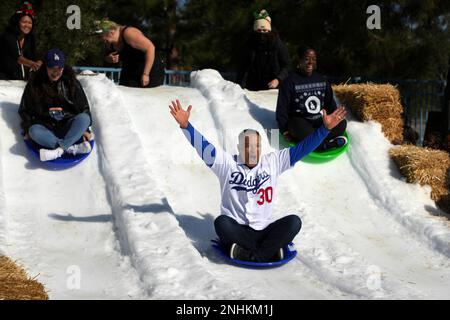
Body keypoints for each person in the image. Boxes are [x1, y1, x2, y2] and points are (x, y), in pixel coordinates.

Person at [169, 99, 346, 262]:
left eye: (256, 146)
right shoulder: (227, 163)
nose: (252, 150)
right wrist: (186, 126)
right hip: (237, 230)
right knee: (221, 223)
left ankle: (249, 254)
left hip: (264, 231)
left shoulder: (273, 162)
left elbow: (302, 149)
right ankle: (267, 252)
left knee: (294, 222)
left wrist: (325, 129)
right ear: (239, 148)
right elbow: (203, 147)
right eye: (247, 146)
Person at [18, 48, 93, 162]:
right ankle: (70, 148)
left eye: (59, 68)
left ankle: (57, 151)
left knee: (84, 119)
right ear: (45, 67)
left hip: (68, 127)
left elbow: (84, 108)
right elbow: (24, 109)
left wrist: (84, 129)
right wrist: (28, 128)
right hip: (46, 129)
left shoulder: (71, 82)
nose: (55, 72)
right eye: (51, 68)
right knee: (34, 131)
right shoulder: (35, 83)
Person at [276, 45, 348, 151]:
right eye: (306, 59)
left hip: (321, 122)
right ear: (299, 61)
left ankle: (312, 142)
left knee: (342, 123)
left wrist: (334, 118)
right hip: (302, 124)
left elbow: (330, 104)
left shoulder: (322, 80)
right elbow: (281, 110)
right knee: (294, 125)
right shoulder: (289, 82)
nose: (310, 62)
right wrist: (284, 130)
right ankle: (325, 145)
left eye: (313, 59)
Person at [93, 19, 165, 88]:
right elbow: (105, 56)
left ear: (111, 32)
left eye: (102, 37)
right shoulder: (110, 43)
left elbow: (150, 48)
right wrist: (108, 59)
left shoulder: (128, 33)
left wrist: (146, 74)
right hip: (130, 70)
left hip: (150, 70)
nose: (102, 40)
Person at [236, 10, 291, 91]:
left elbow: (287, 65)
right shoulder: (250, 44)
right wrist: (238, 85)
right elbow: (242, 66)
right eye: (259, 30)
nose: (262, 33)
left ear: (269, 30)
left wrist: (278, 79)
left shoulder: (277, 44)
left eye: (265, 30)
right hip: (253, 87)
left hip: (274, 87)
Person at [0, 2, 42, 80]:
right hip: (3, 78)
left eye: (30, 23)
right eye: (24, 22)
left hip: (17, 79)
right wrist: (33, 64)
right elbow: (18, 58)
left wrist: (39, 62)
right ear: (17, 22)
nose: (27, 25)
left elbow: (35, 54)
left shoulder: (30, 38)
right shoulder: (8, 36)